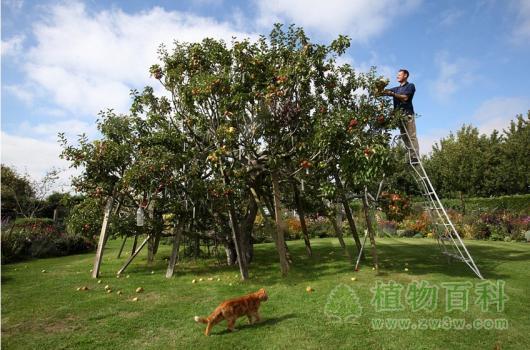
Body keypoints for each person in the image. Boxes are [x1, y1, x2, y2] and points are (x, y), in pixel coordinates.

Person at [383, 69, 420, 159]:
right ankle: (411, 155)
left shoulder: (410, 86)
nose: (397, 76)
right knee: (404, 137)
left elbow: (405, 98)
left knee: (411, 136)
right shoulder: (396, 89)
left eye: (399, 74)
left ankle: (415, 156)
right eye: (397, 75)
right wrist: (379, 88)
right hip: (399, 116)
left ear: (405, 75)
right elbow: (385, 92)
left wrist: (393, 94)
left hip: (407, 114)